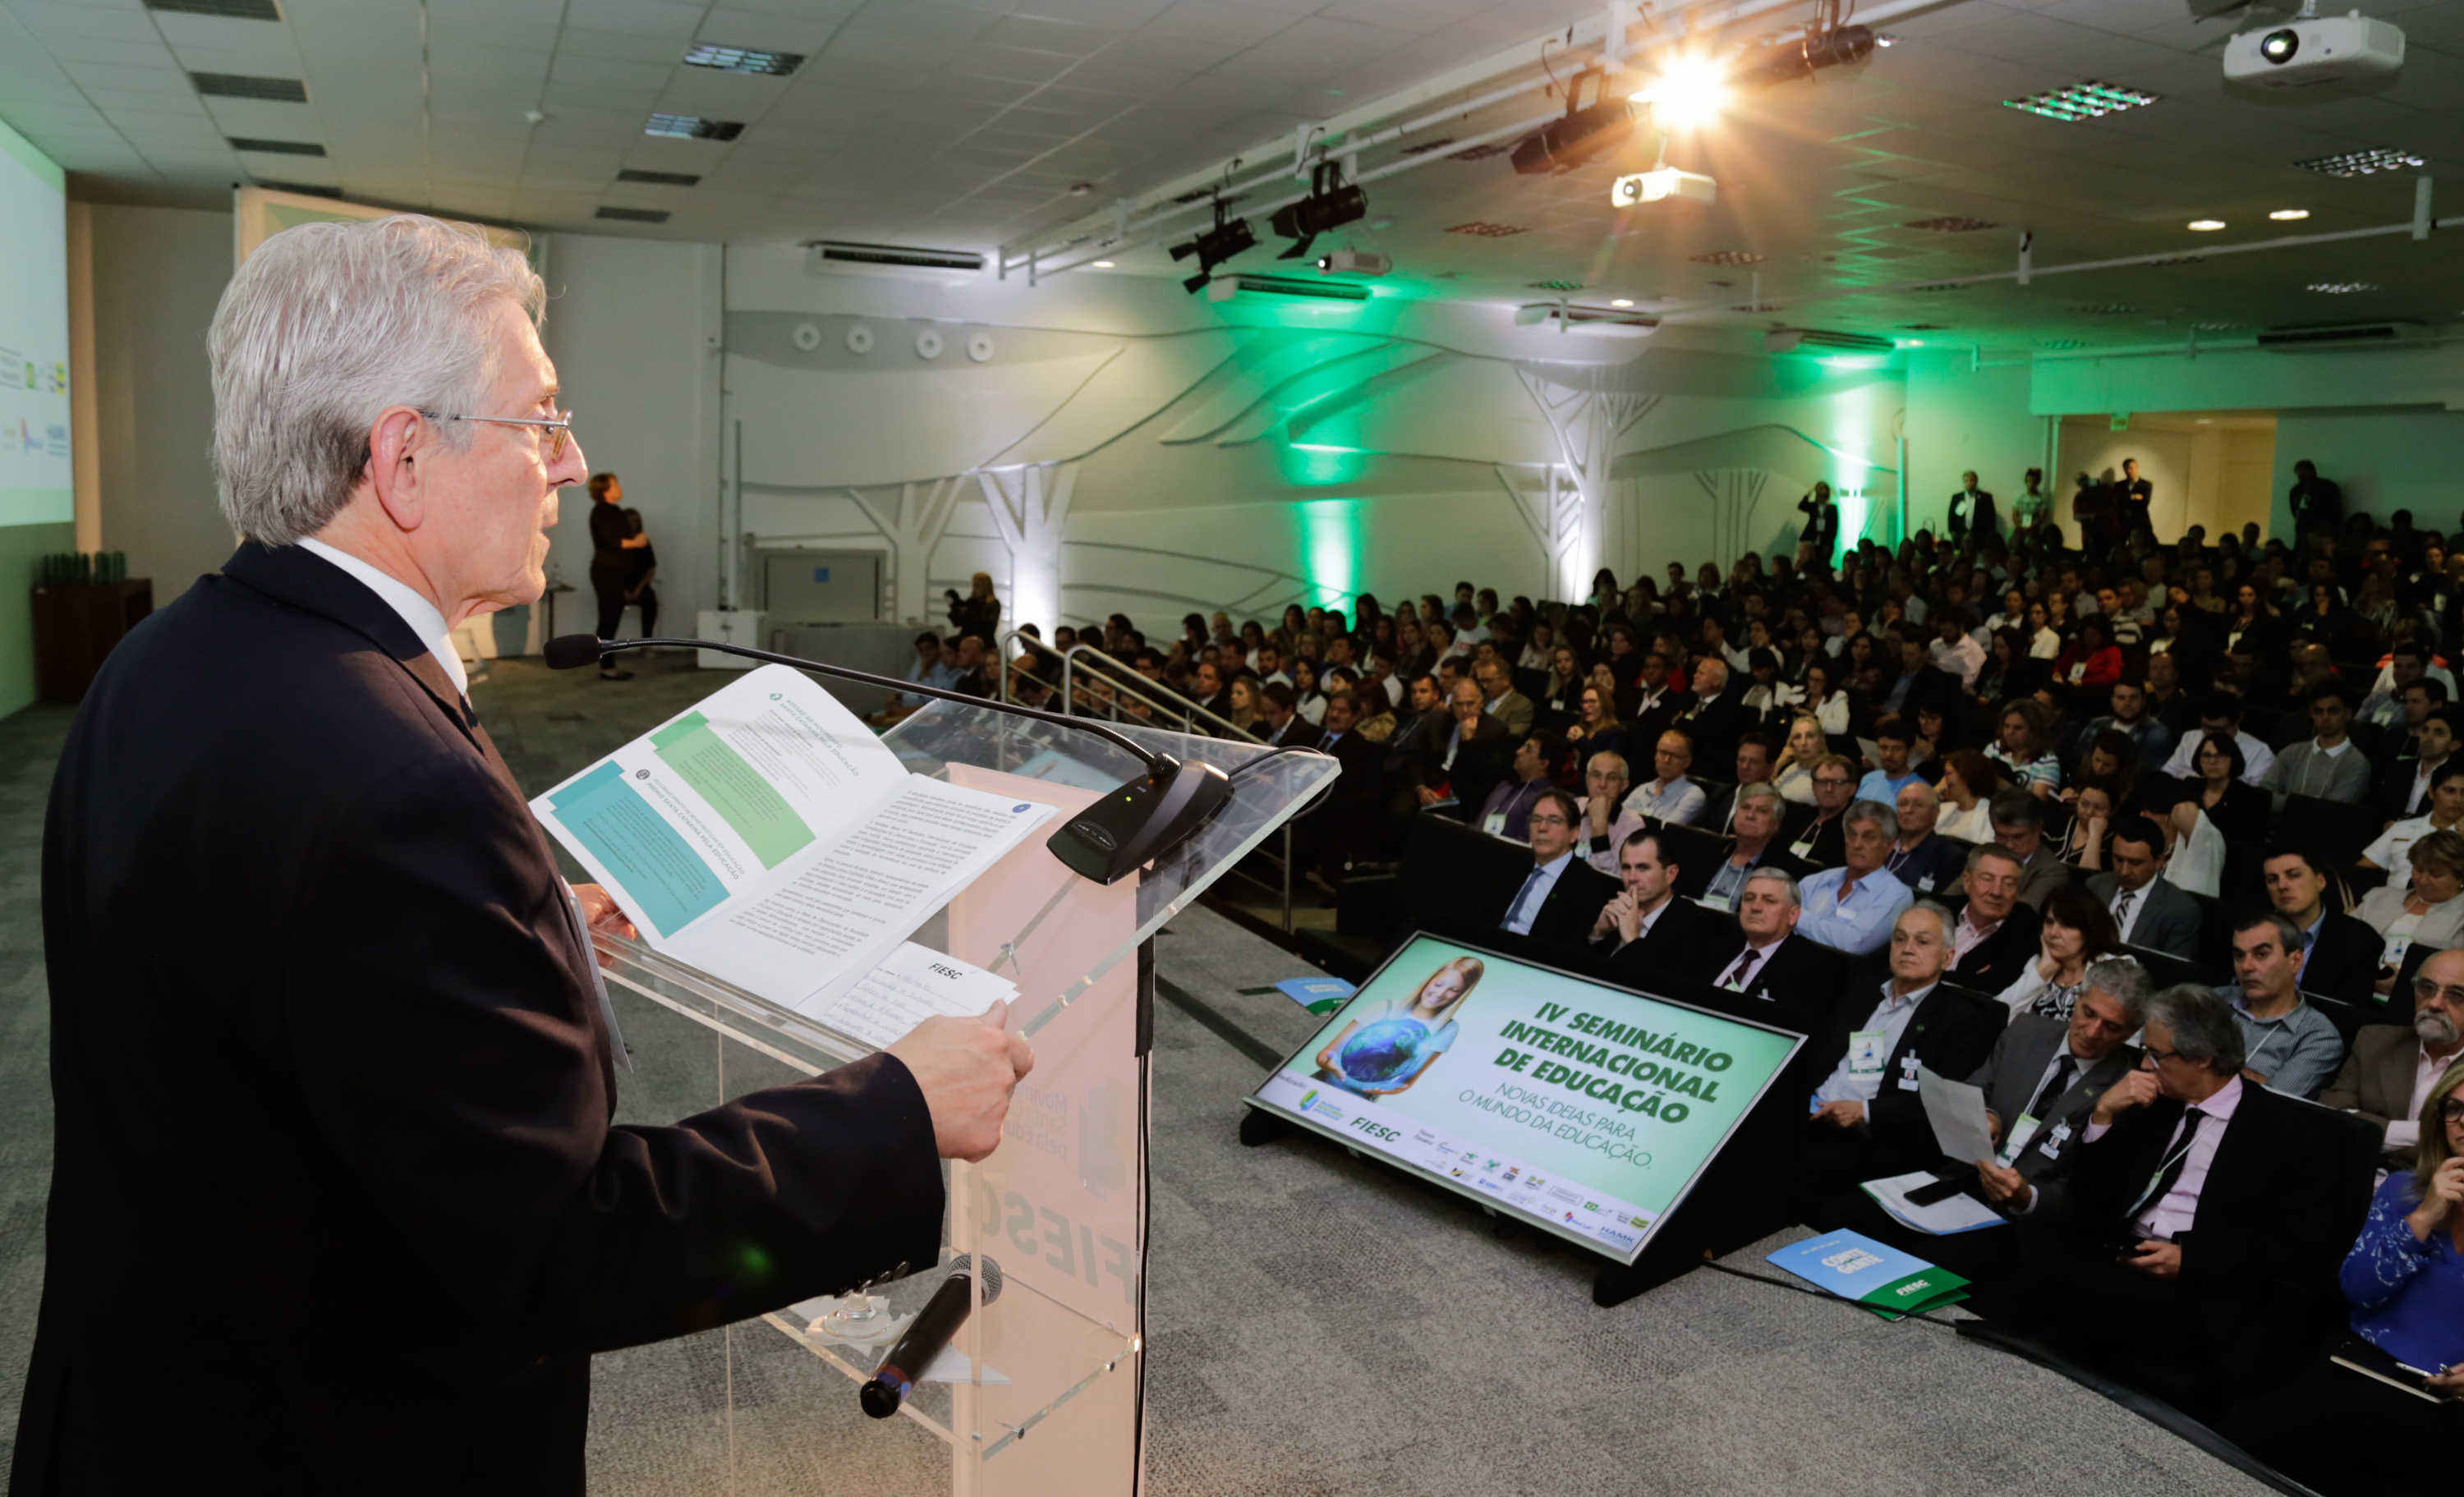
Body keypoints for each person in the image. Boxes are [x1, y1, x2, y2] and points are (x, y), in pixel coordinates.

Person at [16, 214, 1036, 1491]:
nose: (570, 461)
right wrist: (899, 1111)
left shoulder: (172, 655)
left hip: (162, 1396)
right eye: (539, 418)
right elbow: (560, 1241)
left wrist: (511, 923)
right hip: (334, 1436)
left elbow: (260, 963)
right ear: (403, 456)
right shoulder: (392, 776)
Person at [1975, 985, 2363, 1419]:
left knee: (2052, 1291)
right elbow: (2092, 1200)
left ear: (2203, 1058)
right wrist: (2103, 1115)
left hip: (2199, 1283)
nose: (2146, 1065)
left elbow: (2294, 1247)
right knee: (2026, 1265)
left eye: (2158, 1055)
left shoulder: (2289, 1135)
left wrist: (2192, 1261)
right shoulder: (2152, 1104)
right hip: (2119, 1255)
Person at [2225, 1059, 2464, 1497]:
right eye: (2455, 1109)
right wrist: (2423, 1218)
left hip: (2448, 1403)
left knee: (2341, 1424)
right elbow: (2359, 1292)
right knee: (2258, 1432)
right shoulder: (2404, 1191)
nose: (2462, 1122)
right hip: (2362, 1367)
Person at [1795, 902, 2002, 1225]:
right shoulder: (1863, 989)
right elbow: (1819, 1053)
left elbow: (1940, 1101)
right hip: (1808, 1113)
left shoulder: (1962, 1019)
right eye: (1900, 939)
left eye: (1922, 942)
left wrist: (1864, 1111)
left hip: (1871, 1138)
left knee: (1794, 1165)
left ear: (1948, 957)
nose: (1907, 949)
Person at [1970, 959, 2151, 1223]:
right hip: (1969, 1179)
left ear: (2131, 1033)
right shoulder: (2025, 1031)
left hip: (2031, 1220)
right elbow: (1969, 1093)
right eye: (2089, 1013)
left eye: (2111, 1026)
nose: (2093, 1032)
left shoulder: (2126, 1091)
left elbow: (2089, 1188)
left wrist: (2028, 1197)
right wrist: (1987, 1114)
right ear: (2077, 999)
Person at [2320, 950, 2464, 1169]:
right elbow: (2331, 1112)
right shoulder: (2375, 1041)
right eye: (2427, 988)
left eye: (2456, 995)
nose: (2435, 1004)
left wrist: (2375, 1133)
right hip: (2358, 1172)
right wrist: (2423, 1132)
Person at [1310, 956, 1484, 1100]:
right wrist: (1328, 1063)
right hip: (1320, 1086)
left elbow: (1409, 1080)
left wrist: (1392, 1089)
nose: (1440, 994)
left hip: (1361, 1100)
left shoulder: (1448, 1029)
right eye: (1438, 984)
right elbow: (1326, 1054)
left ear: (1461, 994)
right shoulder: (1384, 1007)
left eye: (1453, 990)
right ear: (1429, 980)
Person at [2223, 910, 2348, 1098]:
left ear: (2296, 961)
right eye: (2239, 956)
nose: (2246, 967)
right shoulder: (2211, 1000)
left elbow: (2271, 1102)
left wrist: (2201, 1062)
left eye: (2261, 954)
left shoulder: (2318, 1035)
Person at [1695, 868, 1849, 1013]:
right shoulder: (1718, 948)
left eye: (1769, 901)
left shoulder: (1810, 967)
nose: (1756, 907)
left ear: (1793, 915)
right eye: (1749, 898)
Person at [1592, 829, 1728, 977]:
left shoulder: (1693, 925)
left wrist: (1633, 940)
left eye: (1643, 868)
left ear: (1671, 874)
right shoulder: (1613, 903)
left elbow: (1664, 984)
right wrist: (1598, 933)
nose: (1632, 878)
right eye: (1626, 868)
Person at [1493, 789, 1620, 949]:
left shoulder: (1589, 885)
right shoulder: (1514, 866)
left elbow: (1575, 948)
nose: (1542, 828)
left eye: (1553, 821)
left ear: (1574, 834)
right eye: (1536, 819)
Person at [2264, 847, 2384, 1008]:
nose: (2282, 886)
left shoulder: (2359, 941)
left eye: (2294, 875)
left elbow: (2346, 1014)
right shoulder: (2248, 930)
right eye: (2272, 879)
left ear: (2320, 882)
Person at [2352, 829, 2464, 995]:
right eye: (2418, 869)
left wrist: (2406, 985)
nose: (2423, 880)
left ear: (2460, 877)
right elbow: (2343, 942)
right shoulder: (2379, 897)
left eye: (2436, 875)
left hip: (2427, 998)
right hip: (2358, 988)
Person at [1795, 802, 1915, 957]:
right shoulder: (1816, 881)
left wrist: (1795, 916)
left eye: (1869, 837)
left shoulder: (1897, 895)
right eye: (1852, 835)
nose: (1857, 845)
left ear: (1889, 845)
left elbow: (1853, 944)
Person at [1990, 884, 2120, 1022]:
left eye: (2066, 925)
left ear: (2089, 931)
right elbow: (1995, 1016)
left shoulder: (2114, 970)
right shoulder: (2037, 964)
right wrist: (2044, 970)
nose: (2053, 933)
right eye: (2049, 922)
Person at [2086, 815, 2201, 960]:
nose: (2124, 871)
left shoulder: (2181, 911)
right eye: (2119, 859)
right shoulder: (2095, 886)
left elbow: (2171, 970)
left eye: (2135, 863)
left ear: (2159, 861)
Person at [1949, 843, 2044, 992]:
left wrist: (1930, 975)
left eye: (2008, 884)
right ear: (1967, 881)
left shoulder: (2025, 928)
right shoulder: (1939, 911)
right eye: (1987, 879)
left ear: (2018, 891)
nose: (1996, 892)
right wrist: (1966, 977)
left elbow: (1991, 986)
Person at [2263, 684, 2370, 809]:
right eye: (2318, 711)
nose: (2325, 717)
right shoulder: (2291, 752)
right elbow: (2263, 797)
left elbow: (2334, 809)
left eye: (2333, 711)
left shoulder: (2357, 763)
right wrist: (2310, 804)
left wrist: (2287, 802)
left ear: (2348, 714)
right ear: (2311, 714)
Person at [1701, 783, 1804, 912]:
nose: (1750, 816)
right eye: (1745, 807)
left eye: (1762, 811)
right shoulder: (1709, 850)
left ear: (1775, 825)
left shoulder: (1788, 869)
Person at [2362, 760, 2464, 889]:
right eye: (2450, 791)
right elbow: (2361, 870)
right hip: (2392, 897)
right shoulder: (2402, 828)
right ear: (2431, 792)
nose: (2458, 799)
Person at [584, 471, 637, 680]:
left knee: (611, 619)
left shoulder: (613, 510)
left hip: (615, 572)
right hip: (607, 573)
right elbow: (612, 541)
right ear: (605, 490)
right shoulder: (601, 512)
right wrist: (636, 542)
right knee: (608, 620)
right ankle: (607, 667)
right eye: (615, 484)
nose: (620, 487)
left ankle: (607, 664)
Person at [1987, 789, 2068, 911]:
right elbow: (1955, 897)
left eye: (2018, 837)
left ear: (2038, 831)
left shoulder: (2053, 872)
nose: (2009, 846)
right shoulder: (1984, 857)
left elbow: (2023, 915)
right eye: (2001, 836)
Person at [1885, 780, 1967, 895]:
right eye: (1903, 804)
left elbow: (1938, 903)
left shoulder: (1951, 857)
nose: (1908, 810)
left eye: (1918, 805)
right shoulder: (1882, 844)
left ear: (1935, 814)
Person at [1475, 732, 1558, 843]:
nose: (1518, 751)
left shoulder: (1547, 799)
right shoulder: (1504, 787)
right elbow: (1478, 823)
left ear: (1543, 763)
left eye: (1528, 749)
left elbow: (1528, 842)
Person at [1621, 728, 1707, 827]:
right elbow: (1618, 820)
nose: (1666, 760)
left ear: (1687, 762)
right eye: (1662, 753)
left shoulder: (1693, 795)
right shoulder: (1642, 789)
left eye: (1675, 756)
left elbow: (1666, 830)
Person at [1577, 749, 1635, 875]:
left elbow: (1612, 875)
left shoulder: (1633, 825)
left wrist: (1600, 826)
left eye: (1612, 778)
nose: (1602, 784)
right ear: (1587, 780)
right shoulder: (1574, 806)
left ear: (1623, 785)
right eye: (1596, 775)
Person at [1933, 748, 2000, 843]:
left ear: (1966, 776)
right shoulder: (1943, 808)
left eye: (1948, 774)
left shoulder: (1992, 815)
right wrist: (1933, 795)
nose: (1943, 781)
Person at [1853, 717, 1923, 804]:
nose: (1888, 754)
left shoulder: (1921, 789)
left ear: (1910, 751)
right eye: (1884, 747)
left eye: (1896, 749)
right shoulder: (1868, 778)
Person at [2287, 457, 2344, 539]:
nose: (2300, 475)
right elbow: (2294, 511)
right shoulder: (2296, 491)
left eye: (2303, 471)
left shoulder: (2328, 487)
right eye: (2298, 472)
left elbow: (2336, 510)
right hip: (2303, 532)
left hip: (2325, 531)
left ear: (2313, 471)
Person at [948, 571, 1001, 644]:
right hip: (967, 639)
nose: (974, 589)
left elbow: (986, 627)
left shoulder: (993, 604)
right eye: (974, 586)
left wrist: (967, 611)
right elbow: (957, 623)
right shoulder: (972, 601)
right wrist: (956, 606)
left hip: (983, 642)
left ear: (985, 587)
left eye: (978, 586)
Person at [1948, 470, 1997, 543]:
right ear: (1963, 482)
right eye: (1966, 481)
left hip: (1980, 535)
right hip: (1960, 535)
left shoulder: (1986, 497)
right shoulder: (1956, 498)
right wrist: (1951, 531)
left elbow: (1991, 517)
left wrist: (1990, 534)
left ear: (1976, 481)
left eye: (1972, 480)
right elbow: (1951, 515)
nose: (1969, 483)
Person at [2114, 456, 2153, 537]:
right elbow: (2117, 503)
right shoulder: (2118, 485)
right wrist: (2134, 497)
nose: (2129, 471)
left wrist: (2125, 498)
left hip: (2141, 522)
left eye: (2131, 468)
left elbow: (2145, 502)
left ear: (2137, 467)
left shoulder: (2146, 484)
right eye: (2126, 469)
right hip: (2123, 522)